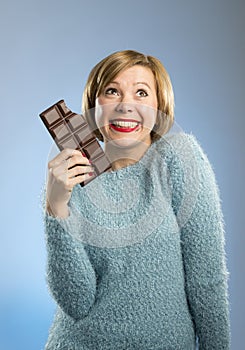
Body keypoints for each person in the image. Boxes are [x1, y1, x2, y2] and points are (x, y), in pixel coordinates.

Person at [42, 50, 231, 349]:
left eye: (141, 93)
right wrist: (56, 207)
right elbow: (76, 302)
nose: (125, 105)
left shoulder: (178, 158)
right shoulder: (70, 177)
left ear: (159, 107)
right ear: (94, 107)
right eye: (112, 91)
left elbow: (206, 279)